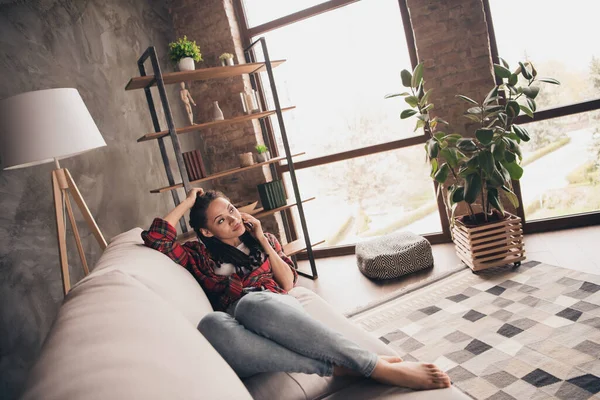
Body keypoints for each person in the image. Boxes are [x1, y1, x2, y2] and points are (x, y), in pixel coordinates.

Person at [142, 188, 451, 390]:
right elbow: (156, 238)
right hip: (240, 327)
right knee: (210, 323)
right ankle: (339, 368)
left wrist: (262, 239)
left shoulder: (265, 241)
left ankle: (374, 366)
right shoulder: (199, 253)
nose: (234, 220)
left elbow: (288, 283)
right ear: (207, 231)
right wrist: (189, 201)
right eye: (222, 220)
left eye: (233, 210)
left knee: (252, 304)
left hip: (273, 310)